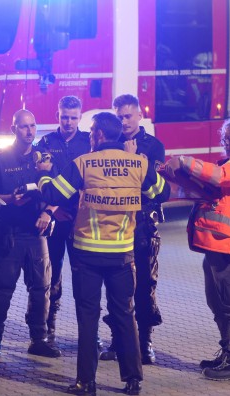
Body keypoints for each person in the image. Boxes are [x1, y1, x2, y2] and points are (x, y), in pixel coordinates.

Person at [39, 112, 170, 396]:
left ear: (97, 135)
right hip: (123, 254)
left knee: (88, 318)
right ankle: (133, 379)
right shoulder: (139, 163)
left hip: (87, 254)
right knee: (125, 315)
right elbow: (163, 191)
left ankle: (86, 383)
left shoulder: (84, 163)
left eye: (91, 132)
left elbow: (53, 194)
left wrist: (43, 174)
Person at [164, 117, 230, 383]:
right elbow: (207, 189)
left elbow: (219, 179)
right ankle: (228, 351)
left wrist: (185, 162)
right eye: (225, 139)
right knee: (217, 301)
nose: (226, 143)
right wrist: (174, 173)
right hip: (218, 244)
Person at [0, 109, 60, 359]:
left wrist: (48, 213)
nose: (30, 131)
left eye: (33, 126)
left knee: (41, 288)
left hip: (37, 233)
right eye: (24, 126)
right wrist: (8, 199)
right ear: (14, 129)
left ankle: (38, 339)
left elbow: (60, 192)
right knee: (2, 289)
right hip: (9, 233)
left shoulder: (44, 158)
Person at [99, 94, 166, 365]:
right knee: (118, 286)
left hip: (143, 227)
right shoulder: (110, 143)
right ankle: (118, 340)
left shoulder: (153, 146)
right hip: (118, 226)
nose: (124, 121)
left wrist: (134, 161)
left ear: (139, 114)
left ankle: (145, 341)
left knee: (145, 285)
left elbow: (156, 188)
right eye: (119, 117)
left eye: (128, 116)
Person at [34, 96, 91, 348]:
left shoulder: (89, 142)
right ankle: (48, 329)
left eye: (73, 117)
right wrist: (50, 209)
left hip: (81, 220)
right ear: (57, 115)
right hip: (55, 219)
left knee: (85, 279)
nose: (68, 122)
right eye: (64, 117)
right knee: (51, 276)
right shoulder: (46, 142)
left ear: (80, 117)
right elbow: (43, 180)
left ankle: (89, 333)